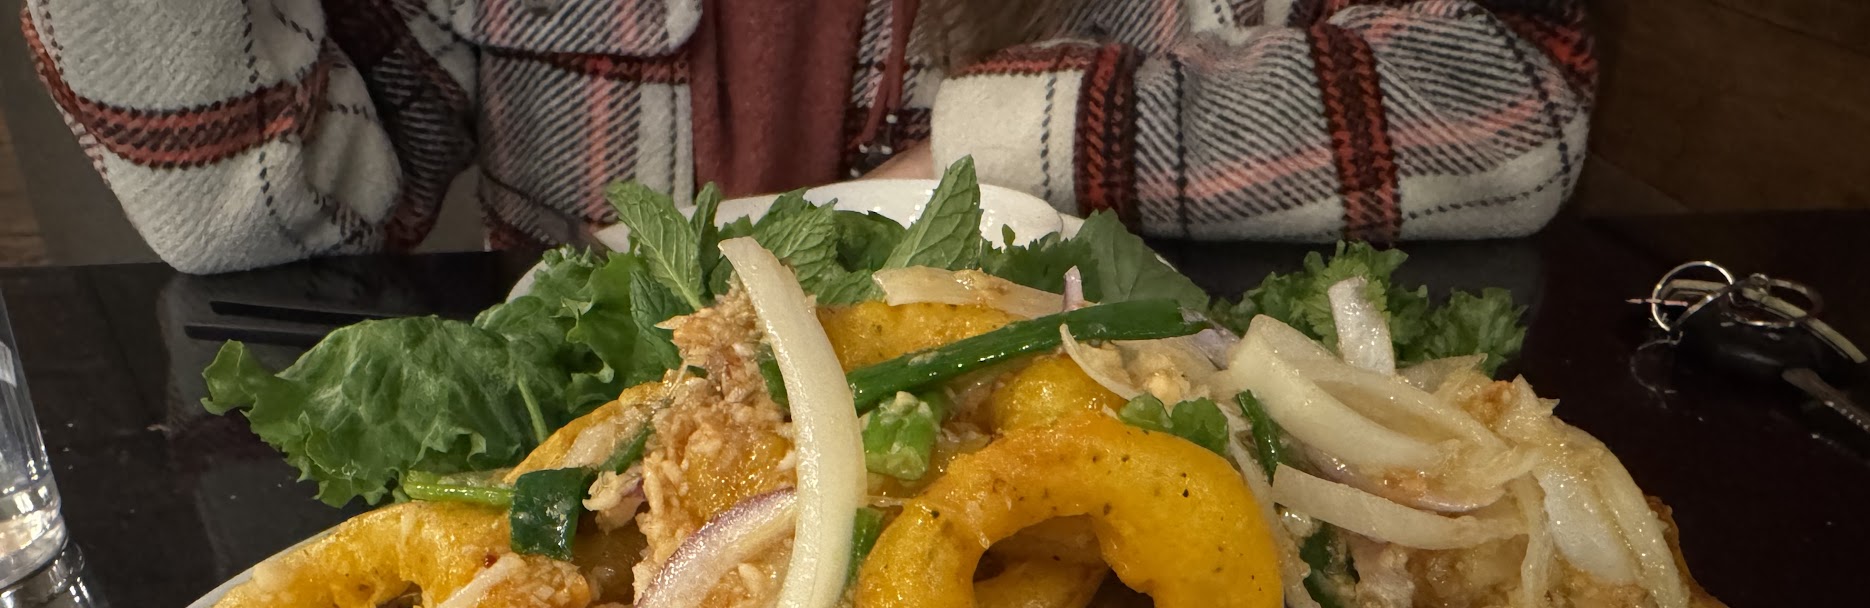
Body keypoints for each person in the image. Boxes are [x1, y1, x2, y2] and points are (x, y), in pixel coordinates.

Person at [20, 0, 1595, 275]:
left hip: (1104, 500)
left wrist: (987, 153)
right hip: (617, 537)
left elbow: (1513, 93)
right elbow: (274, 211)